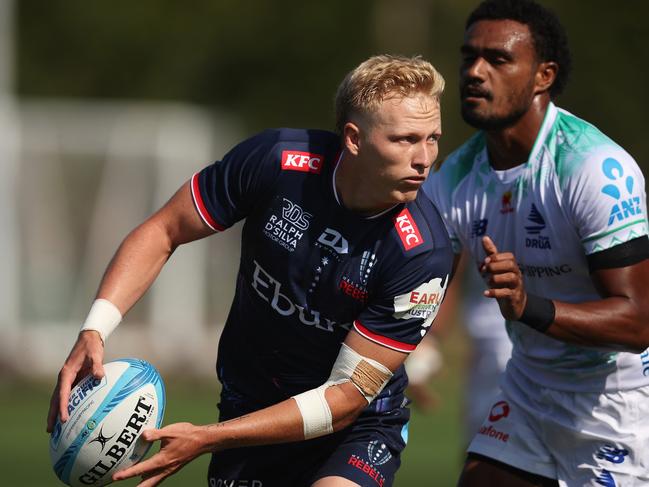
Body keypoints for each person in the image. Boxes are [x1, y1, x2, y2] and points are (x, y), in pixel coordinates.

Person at [46, 54, 453, 487]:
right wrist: (94, 329)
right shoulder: (277, 162)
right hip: (250, 403)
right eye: (406, 139)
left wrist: (206, 438)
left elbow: (344, 398)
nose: (424, 159)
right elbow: (165, 230)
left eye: (433, 138)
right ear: (354, 139)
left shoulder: (421, 255)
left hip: (355, 427)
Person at [424, 0, 649, 485]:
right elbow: (415, 282)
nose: (475, 72)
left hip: (621, 402)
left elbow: (638, 321)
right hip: (528, 391)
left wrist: (530, 306)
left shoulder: (591, 167)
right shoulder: (453, 178)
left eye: (498, 59)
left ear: (543, 75)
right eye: (468, 57)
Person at [405, 254, 510, 443]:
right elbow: (449, 271)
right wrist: (427, 340)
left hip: (556, 350)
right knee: (482, 451)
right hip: (488, 349)